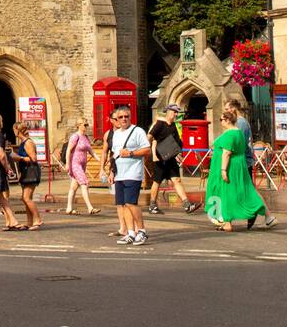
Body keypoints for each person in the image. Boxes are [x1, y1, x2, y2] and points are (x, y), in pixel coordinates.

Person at [205, 106, 278, 233]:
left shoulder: (230, 134)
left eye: (221, 119)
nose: (220, 121)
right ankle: (265, 215)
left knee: (227, 192)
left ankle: (227, 222)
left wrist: (223, 170)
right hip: (238, 166)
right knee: (244, 190)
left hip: (229, 167)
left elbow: (226, 153)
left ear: (228, 120)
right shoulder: (238, 132)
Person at [107, 106, 151, 246]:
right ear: (116, 120)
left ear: (130, 117)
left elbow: (147, 149)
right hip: (119, 173)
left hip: (133, 173)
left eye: (126, 116)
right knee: (124, 204)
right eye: (121, 117)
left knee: (131, 203)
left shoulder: (138, 131)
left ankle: (142, 231)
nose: (124, 119)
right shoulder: (116, 134)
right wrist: (111, 172)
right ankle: (131, 233)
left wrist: (131, 153)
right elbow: (114, 155)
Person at [147, 105, 201, 215]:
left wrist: (179, 153)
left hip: (170, 158)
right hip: (160, 159)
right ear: (168, 111)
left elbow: (178, 142)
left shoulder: (174, 126)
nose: (176, 114)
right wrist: (151, 152)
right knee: (157, 182)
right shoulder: (159, 124)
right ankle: (152, 205)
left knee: (177, 180)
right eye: (174, 112)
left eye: (177, 113)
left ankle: (187, 205)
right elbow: (150, 137)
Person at [64, 120, 100, 217]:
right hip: (75, 164)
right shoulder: (75, 136)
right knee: (84, 183)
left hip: (83, 164)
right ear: (79, 125)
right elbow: (68, 150)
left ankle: (69, 208)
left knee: (74, 187)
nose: (86, 126)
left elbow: (91, 151)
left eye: (87, 124)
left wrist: (100, 160)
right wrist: (67, 164)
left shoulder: (86, 137)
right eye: (85, 124)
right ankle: (90, 207)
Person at [14, 122, 43, 229]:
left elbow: (34, 159)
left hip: (31, 171)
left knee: (26, 198)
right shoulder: (23, 142)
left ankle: (37, 219)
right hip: (25, 171)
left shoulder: (28, 143)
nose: (13, 132)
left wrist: (18, 157)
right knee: (26, 198)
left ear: (18, 130)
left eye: (14, 129)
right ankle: (29, 222)